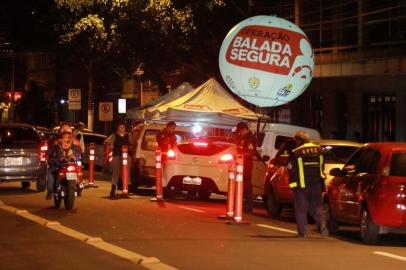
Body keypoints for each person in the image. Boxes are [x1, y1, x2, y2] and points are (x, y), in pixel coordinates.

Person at [288, 131, 328, 238]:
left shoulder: (296, 152)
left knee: (301, 209)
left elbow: (292, 170)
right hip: (317, 184)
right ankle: (322, 226)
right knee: (317, 207)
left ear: (298, 140)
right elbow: (321, 168)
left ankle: (303, 233)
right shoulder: (319, 150)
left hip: (302, 185)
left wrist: (292, 186)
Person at [46, 132, 82, 199]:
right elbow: (48, 154)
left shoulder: (76, 148)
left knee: (79, 171)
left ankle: (79, 186)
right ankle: (50, 192)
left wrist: (75, 158)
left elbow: (79, 155)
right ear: (60, 140)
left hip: (71, 166)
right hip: (58, 165)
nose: (66, 142)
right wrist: (51, 159)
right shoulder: (55, 147)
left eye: (68, 140)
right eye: (63, 140)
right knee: (50, 172)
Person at [105, 123, 133, 197]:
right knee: (116, 172)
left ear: (125, 128)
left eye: (123, 127)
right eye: (120, 127)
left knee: (127, 172)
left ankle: (126, 190)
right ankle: (113, 190)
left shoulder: (128, 135)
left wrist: (129, 150)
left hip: (126, 156)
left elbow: (131, 144)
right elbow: (109, 143)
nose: (121, 128)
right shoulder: (114, 135)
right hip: (117, 155)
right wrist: (111, 148)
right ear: (118, 128)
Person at [235, 122, 256, 213]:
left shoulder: (250, 138)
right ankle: (242, 204)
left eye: (240, 131)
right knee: (242, 184)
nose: (239, 134)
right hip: (242, 163)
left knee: (246, 184)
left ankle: (248, 206)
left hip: (246, 163)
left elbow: (250, 153)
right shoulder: (243, 138)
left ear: (244, 129)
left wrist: (240, 155)